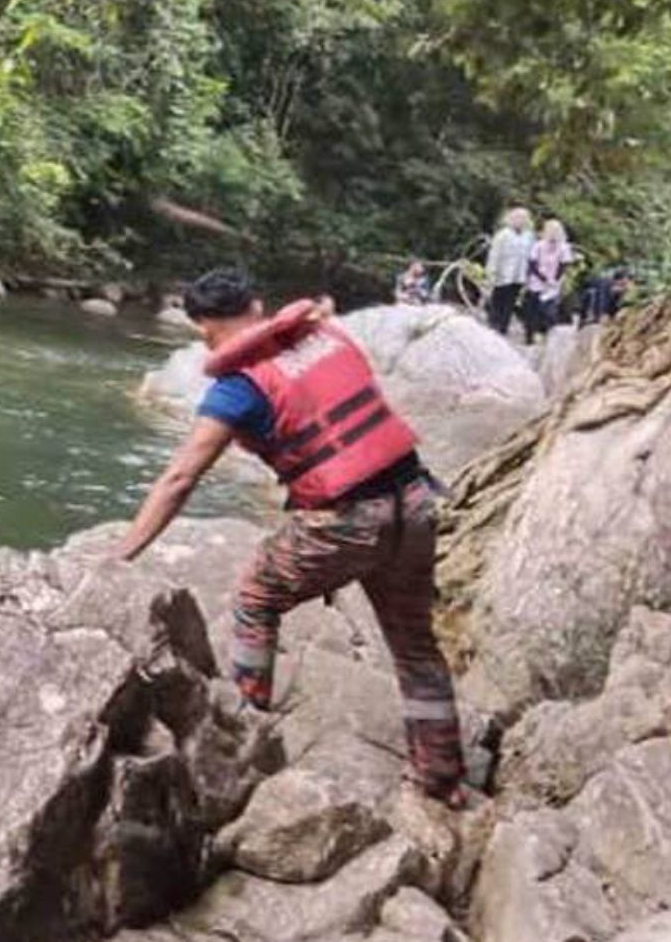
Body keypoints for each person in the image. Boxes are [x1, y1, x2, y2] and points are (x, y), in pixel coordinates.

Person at [116, 268, 467, 805]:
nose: (206, 340)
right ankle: (441, 776)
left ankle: (245, 737)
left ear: (207, 328)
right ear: (257, 306)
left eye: (204, 331)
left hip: (347, 520)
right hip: (415, 503)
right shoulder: (328, 337)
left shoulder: (236, 389)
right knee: (415, 645)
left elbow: (180, 478)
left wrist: (124, 553)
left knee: (256, 599)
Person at [484, 207, 534, 335]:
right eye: (518, 218)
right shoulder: (503, 235)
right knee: (498, 299)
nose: (521, 221)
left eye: (523, 219)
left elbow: (530, 255)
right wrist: (491, 272)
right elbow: (494, 254)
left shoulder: (529, 235)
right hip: (503, 272)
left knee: (510, 302)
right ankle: (493, 325)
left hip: (519, 274)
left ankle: (503, 326)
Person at [523, 218, 573, 344]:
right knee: (532, 310)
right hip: (536, 282)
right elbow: (532, 264)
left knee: (549, 311)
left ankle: (548, 334)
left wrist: (554, 279)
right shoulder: (538, 245)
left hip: (553, 284)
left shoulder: (564, 247)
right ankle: (530, 335)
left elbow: (564, 265)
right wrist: (543, 278)